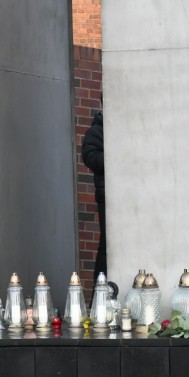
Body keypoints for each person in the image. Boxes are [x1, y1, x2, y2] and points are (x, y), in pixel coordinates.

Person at [81, 109, 106, 279]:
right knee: (107, 243)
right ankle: (100, 289)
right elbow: (89, 156)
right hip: (107, 195)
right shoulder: (97, 130)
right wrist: (114, 155)